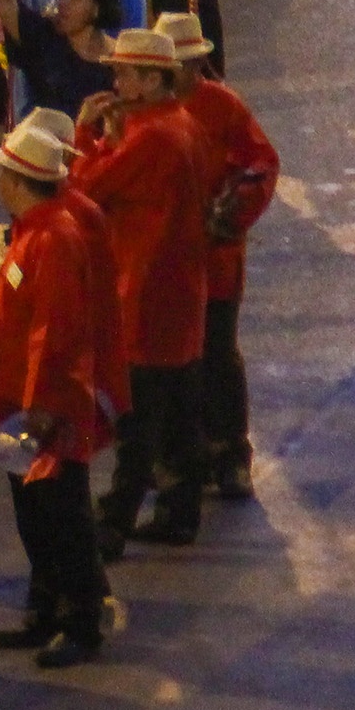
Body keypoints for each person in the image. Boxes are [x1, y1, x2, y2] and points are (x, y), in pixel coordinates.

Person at [71, 28, 217, 554]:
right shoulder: (184, 125)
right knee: (179, 409)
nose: (116, 83)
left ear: (153, 80)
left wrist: (84, 136)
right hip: (181, 288)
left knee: (138, 417)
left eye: (124, 74)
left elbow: (87, 188)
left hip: (145, 290)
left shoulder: (152, 135)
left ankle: (114, 522)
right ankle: (179, 510)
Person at [0, 122, 112, 665]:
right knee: (37, 515)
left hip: (46, 410)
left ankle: (80, 621)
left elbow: (53, 330)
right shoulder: (35, 231)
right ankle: (48, 610)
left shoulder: (51, 238)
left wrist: (41, 405)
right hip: (26, 404)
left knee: (62, 517)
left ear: (16, 180)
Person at [156, 12, 278, 494]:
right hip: (166, 261)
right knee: (172, 362)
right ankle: (186, 455)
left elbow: (261, 164)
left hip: (215, 259)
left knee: (218, 353)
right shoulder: (149, 109)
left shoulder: (223, 107)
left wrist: (230, 214)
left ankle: (230, 453)